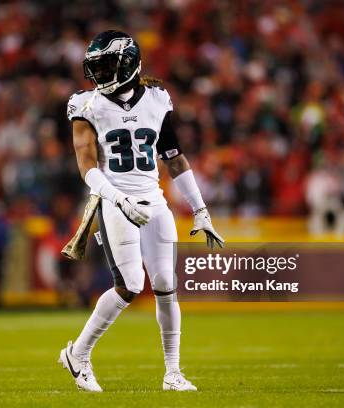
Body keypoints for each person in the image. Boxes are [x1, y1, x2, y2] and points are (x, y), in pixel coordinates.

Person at [58, 31, 224, 392]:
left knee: (166, 284)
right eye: (95, 68)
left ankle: (173, 373)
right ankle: (78, 353)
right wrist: (118, 199)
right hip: (116, 201)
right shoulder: (86, 105)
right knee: (131, 284)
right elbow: (87, 167)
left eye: (105, 66)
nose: (98, 76)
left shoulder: (157, 100)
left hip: (154, 200)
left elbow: (174, 159)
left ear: (128, 63)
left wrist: (200, 208)